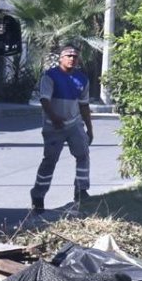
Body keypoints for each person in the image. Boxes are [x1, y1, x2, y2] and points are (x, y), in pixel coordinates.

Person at [30, 43, 94, 213]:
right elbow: (44, 100)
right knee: (49, 162)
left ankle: (81, 190)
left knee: (83, 155)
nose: (72, 59)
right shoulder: (50, 76)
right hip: (53, 128)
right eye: (68, 56)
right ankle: (38, 196)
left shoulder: (82, 79)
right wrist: (54, 117)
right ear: (61, 58)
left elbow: (84, 105)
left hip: (74, 125)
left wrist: (89, 129)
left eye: (75, 56)